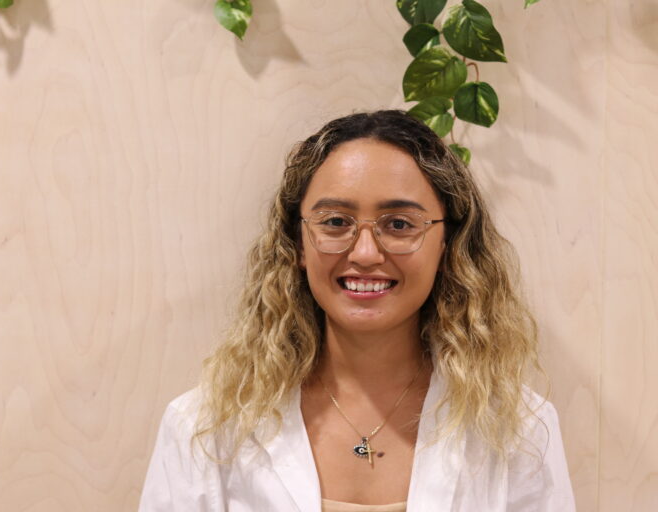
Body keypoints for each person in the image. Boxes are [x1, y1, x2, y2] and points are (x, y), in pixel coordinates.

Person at [138, 110, 576, 511]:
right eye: (335, 222)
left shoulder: (519, 431)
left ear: (448, 246)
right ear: (297, 245)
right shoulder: (204, 427)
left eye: (400, 225)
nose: (365, 253)